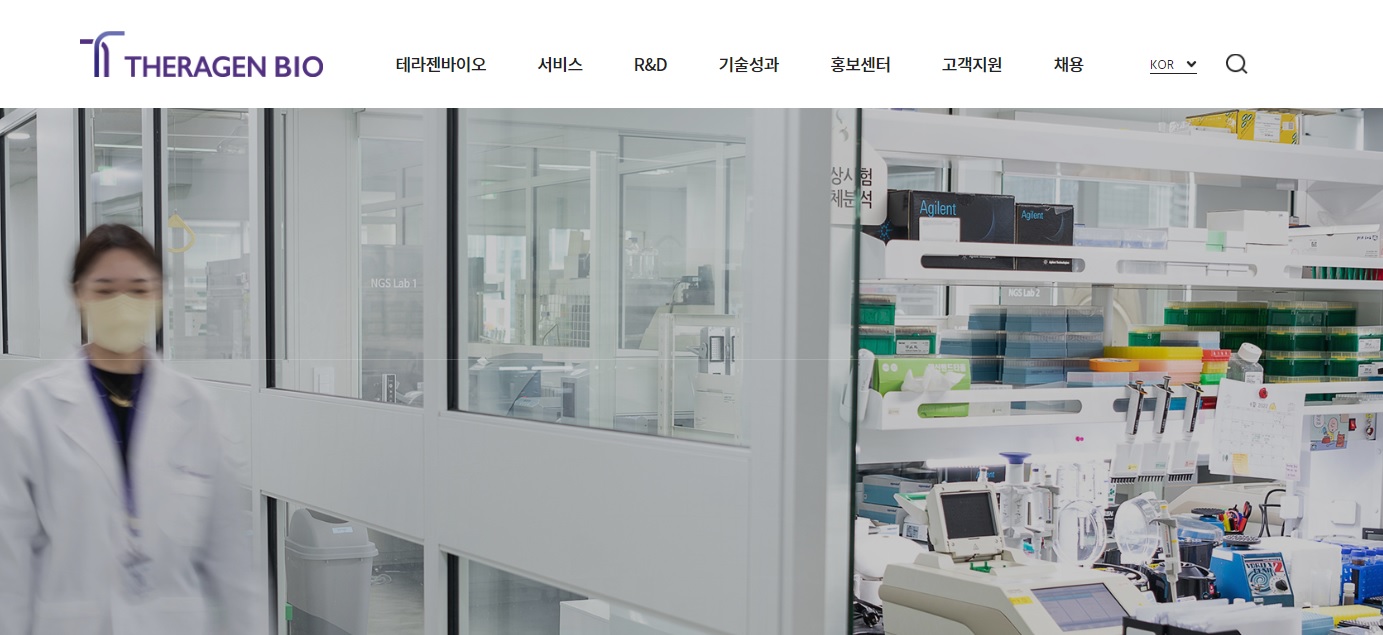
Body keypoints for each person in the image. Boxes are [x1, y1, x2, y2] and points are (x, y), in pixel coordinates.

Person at [0, 224, 262, 634]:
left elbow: (231, 560)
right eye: (105, 290)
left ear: (159, 295)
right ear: (79, 294)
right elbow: (9, 565)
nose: (122, 304)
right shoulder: (28, 411)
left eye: (139, 290)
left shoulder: (198, 411)